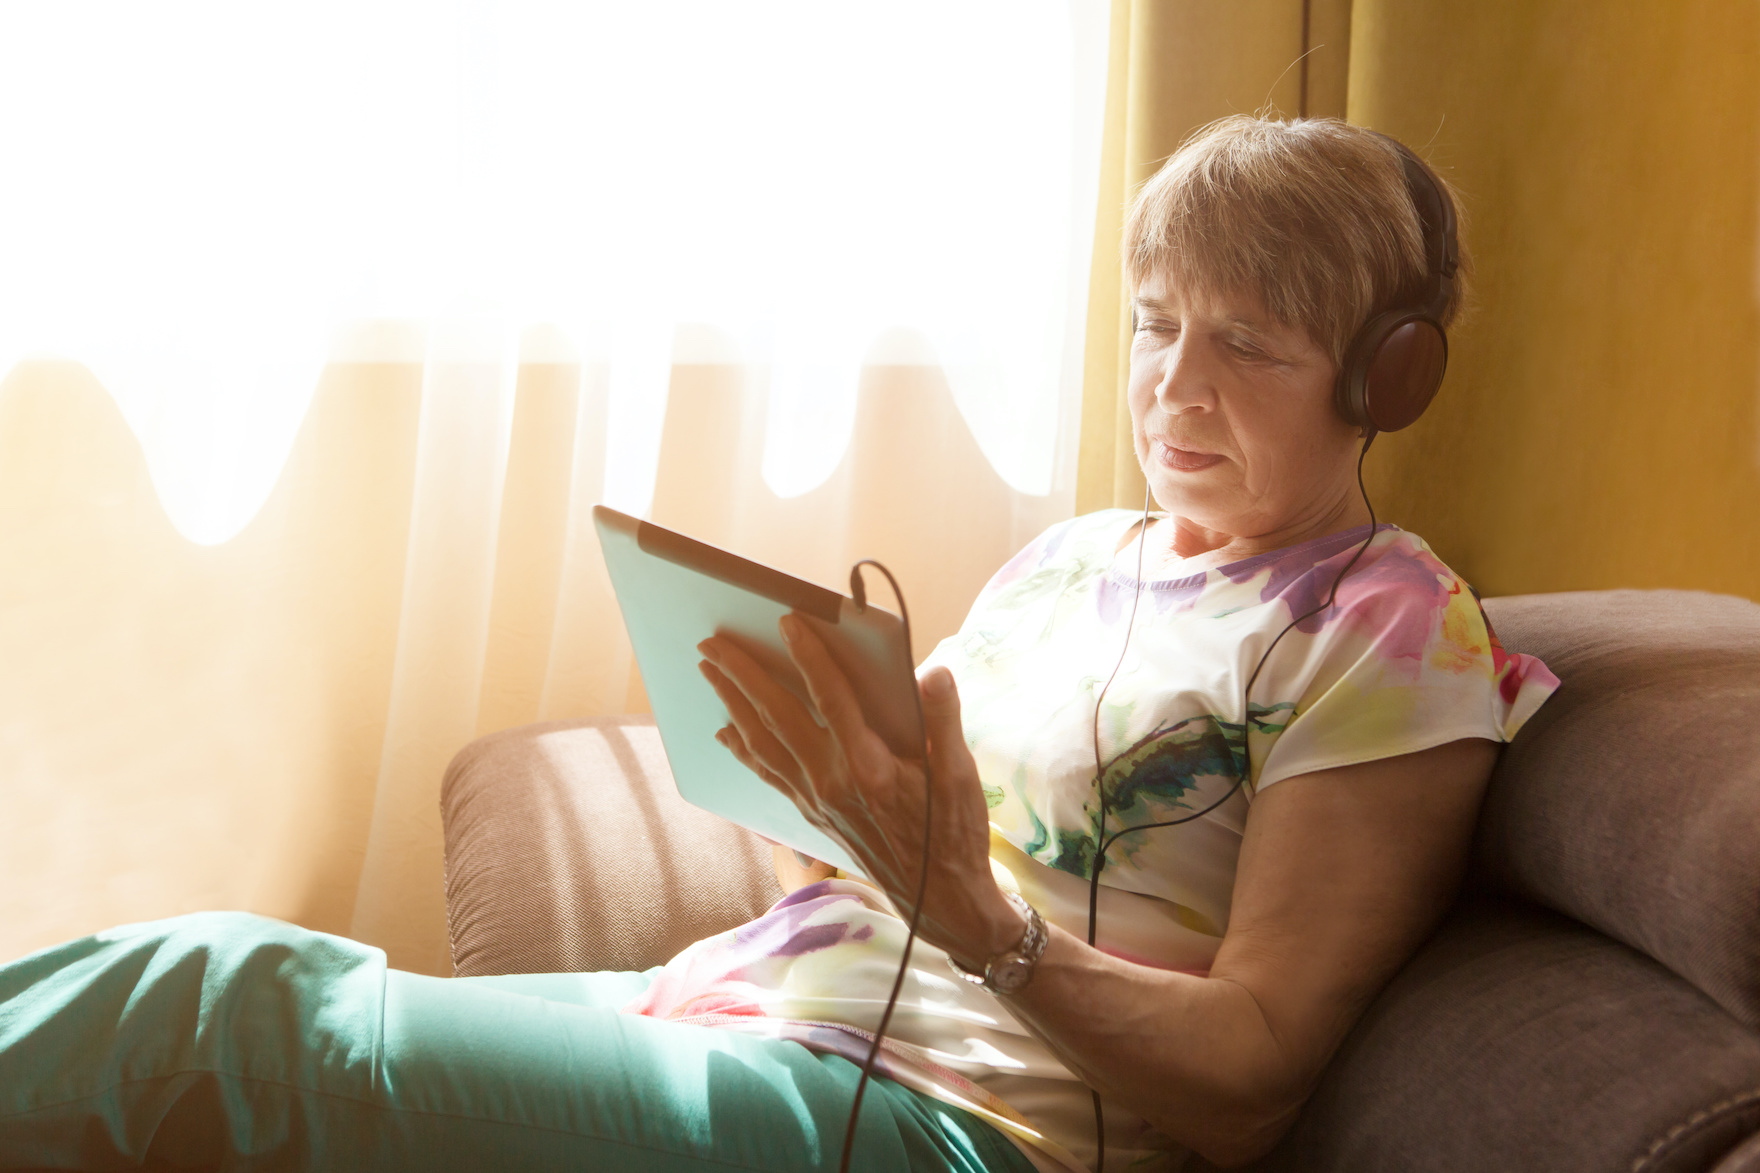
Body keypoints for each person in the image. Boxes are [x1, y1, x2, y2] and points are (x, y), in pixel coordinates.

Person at [0, 116, 1557, 1172]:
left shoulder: (1391, 634)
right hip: (755, 1006)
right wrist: (832, 816)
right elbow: (903, 847)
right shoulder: (1077, 559)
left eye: (1248, 343)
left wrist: (978, 922)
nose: (1173, 386)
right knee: (203, 1043)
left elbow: (1254, 1072)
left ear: (1387, 375)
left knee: (226, 1008)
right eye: (1156, 321)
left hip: (952, 1120)